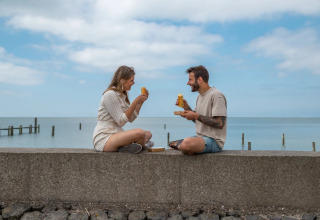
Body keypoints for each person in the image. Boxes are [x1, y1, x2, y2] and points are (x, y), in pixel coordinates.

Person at [93, 65, 153, 153]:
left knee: (148, 133)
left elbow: (131, 118)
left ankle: (128, 148)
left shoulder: (122, 96)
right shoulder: (110, 95)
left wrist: (141, 102)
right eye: (131, 80)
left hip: (117, 135)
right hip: (105, 137)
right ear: (122, 80)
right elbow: (121, 121)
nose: (133, 83)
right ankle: (144, 145)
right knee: (140, 133)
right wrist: (134, 103)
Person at [170, 65, 227, 155]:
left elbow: (220, 123)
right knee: (171, 144)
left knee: (185, 144)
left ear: (199, 80)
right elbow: (198, 120)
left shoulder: (216, 95)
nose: (188, 83)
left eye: (190, 79)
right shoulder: (199, 97)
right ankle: (182, 146)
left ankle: (182, 146)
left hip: (214, 141)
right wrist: (186, 107)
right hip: (200, 138)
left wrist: (195, 115)